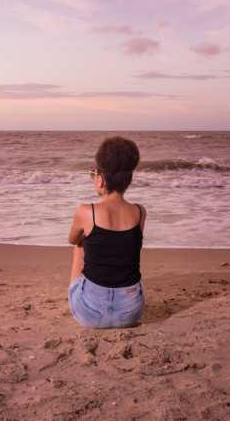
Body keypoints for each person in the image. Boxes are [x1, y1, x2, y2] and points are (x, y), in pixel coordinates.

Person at [67, 136, 146, 328]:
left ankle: (80, 294)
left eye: (94, 174)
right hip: (130, 313)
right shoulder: (139, 212)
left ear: (101, 179)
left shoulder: (86, 211)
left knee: (80, 243)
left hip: (90, 314)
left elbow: (72, 240)